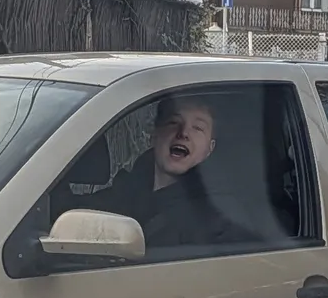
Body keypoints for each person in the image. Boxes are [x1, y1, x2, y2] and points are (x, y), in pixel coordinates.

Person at [102, 94, 244, 251]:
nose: (183, 133)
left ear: (209, 149)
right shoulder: (126, 190)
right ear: (154, 134)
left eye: (197, 128)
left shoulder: (214, 218)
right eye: (174, 122)